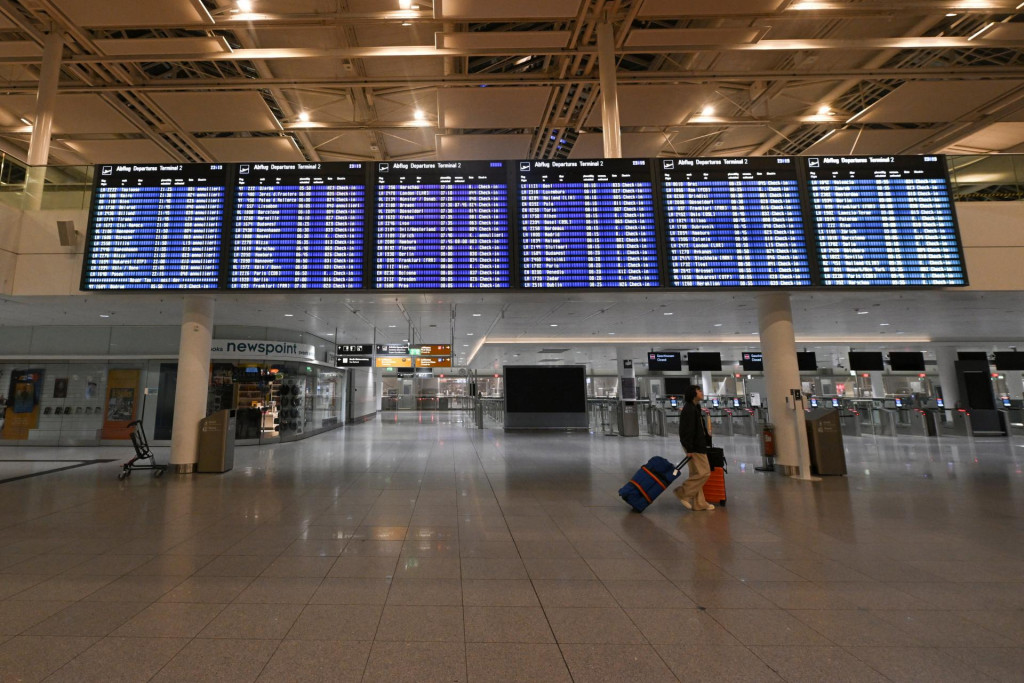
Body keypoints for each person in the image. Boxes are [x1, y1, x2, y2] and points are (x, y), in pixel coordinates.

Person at [674, 385, 715, 511]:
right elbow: (687, 430)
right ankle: (683, 492)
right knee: (704, 472)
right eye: (699, 391)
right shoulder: (689, 409)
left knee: (696, 473)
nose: (702, 393)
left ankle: (699, 503)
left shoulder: (695, 407)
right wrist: (689, 448)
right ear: (693, 393)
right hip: (695, 446)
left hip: (696, 444)